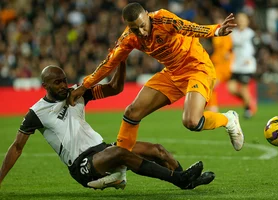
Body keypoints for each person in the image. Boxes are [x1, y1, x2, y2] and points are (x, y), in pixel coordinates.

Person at [0, 64, 214, 190]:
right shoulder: (36, 112)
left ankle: (186, 182)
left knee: (157, 150)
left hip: (103, 150)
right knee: (121, 153)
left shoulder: (78, 93)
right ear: (45, 86)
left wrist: (120, 61)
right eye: (57, 83)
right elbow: (17, 148)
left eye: (64, 80)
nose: (63, 85)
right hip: (82, 165)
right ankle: (179, 179)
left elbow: (114, 88)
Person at [68, 3, 244, 155]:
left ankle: (228, 119)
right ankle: (119, 165)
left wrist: (216, 29)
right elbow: (108, 63)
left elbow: (188, 27)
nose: (141, 32)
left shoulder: (163, 19)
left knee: (191, 121)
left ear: (147, 14)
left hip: (197, 67)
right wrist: (85, 86)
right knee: (132, 112)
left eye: (142, 25)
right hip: (172, 73)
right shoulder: (129, 37)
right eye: (135, 29)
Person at [227, 13, 257, 119]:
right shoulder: (233, 34)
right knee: (231, 88)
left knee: (244, 89)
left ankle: (248, 109)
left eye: (243, 19)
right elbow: (230, 47)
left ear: (247, 21)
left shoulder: (250, 33)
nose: (241, 21)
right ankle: (249, 101)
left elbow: (257, 48)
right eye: (239, 19)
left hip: (247, 66)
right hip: (235, 65)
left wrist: (250, 58)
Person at [207, 16, 234, 112]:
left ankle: (213, 107)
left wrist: (226, 53)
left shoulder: (227, 35)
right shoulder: (216, 35)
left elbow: (228, 49)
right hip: (218, 65)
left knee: (212, 85)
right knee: (212, 85)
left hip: (225, 66)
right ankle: (213, 107)